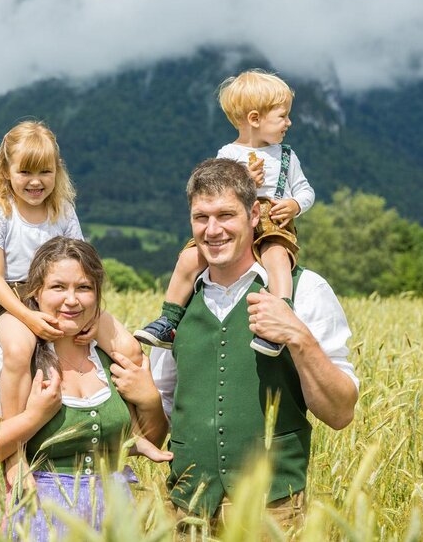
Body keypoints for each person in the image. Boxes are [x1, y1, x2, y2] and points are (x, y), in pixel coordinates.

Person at [149, 158, 358, 531]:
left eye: (226, 215)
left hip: (273, 514)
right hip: (187, 511)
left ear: (254, 213)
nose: (213, 230)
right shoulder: (180, 303)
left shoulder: (306, 290)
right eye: (201, 217)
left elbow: (341, 413)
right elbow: (161, 413)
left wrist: (297, 335)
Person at [0, 237, 169, 539]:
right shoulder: (5, 357)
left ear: (98, 294)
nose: (72, 300)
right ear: (35, 293)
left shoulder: (109, 356)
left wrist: (150, 399)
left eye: (84, 288)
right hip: (35, 519)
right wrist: (32, 418)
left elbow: (147, 441)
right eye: (58, 287)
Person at [0, 121, 142, 449]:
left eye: (45, 172)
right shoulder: (0, 214)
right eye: (25, 172)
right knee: (20, 350)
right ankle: (14, 446)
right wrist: (29, 317)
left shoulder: (63, 210)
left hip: (67, 293)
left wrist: (93, 314)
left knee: (128, 347)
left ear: (57, 171)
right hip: (16, 298)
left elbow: (82, 263)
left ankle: (128, 432)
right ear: (6, 172)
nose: (36, 182)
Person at [136, 70, 315, 357]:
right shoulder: (228, 154)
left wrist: (295, 205)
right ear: (255, 119)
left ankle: (282, 317)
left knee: (277, 256)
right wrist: (245, 184)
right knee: (188, 257)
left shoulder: (286, 156)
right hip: (232, 220)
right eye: (282, 116)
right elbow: (215, 193)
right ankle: (169, 319)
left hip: (272, 223)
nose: (289, 123)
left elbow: (305, 190)